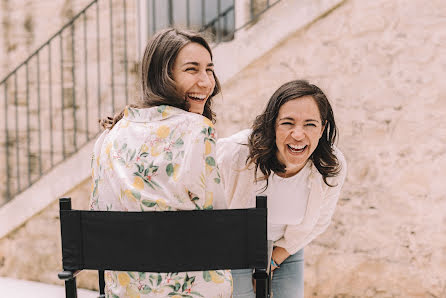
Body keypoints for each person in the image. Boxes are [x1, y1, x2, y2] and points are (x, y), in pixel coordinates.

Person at [89, 28, 232, 298]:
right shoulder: (197, 130)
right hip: (192, 288)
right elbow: (217, 221)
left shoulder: (109, 135)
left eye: (209, 70)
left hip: (126, 291)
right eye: (192, 70)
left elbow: (99, 212)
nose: (206, 82)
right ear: (162, 76)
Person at [216, 80, 347, 298]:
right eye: (287, 123)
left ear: (322, 128)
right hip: (235, 245)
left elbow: (320, 220)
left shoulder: (331, 166)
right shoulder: (236, 153)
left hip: (286, 245)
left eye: (310, 124)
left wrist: (275, 258)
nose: (298, 134)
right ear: (272, 124)